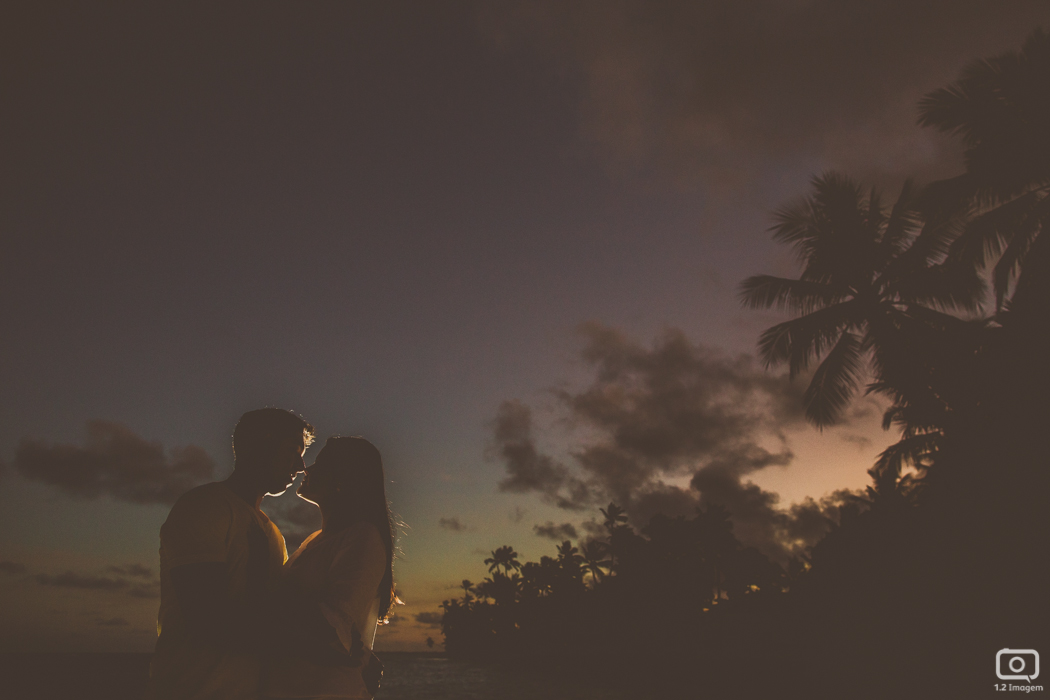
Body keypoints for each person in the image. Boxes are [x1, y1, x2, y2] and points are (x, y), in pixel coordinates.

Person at [149, 408, 318, 700]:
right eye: (293, 450)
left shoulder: (273, 534)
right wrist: (324, 649)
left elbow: (270, 615)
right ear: (261, 444)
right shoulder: (205, 506)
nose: (301, 466)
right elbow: (208, 622)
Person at [261, 436, 397, 700]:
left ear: (341, 479)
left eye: (319, 463)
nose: (305, 468)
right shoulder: (316, 540)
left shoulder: (363, 537)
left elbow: (332, 628)